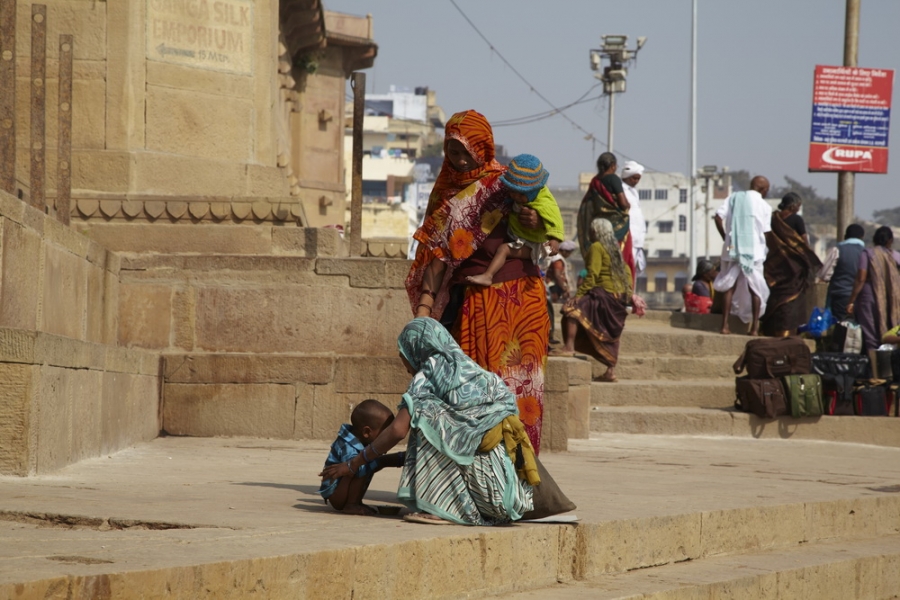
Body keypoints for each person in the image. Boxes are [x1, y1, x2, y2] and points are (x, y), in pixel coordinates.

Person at [405, 110, 550, 453]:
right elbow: (437, 256)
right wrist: (424, 313)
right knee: (471, 399)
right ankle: (474, 485)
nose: (458, 159)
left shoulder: (508, 185)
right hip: (472, 304)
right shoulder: (444, 193)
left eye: (465, 151)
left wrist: (533, 222)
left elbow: (546, 239)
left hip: (522, 304)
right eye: (452, 151)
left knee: (519, 394)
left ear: (482, 148)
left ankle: (517, 484)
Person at [320, 319, 538, 525]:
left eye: (403, 354)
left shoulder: (427, 376)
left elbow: (397, 430)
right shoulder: (478, 373)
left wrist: (353, 464)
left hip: (487, 493)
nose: (404, 363)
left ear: (417, 350)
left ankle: (442, 506)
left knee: (424, 414)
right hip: (510, 495)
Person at [466, 154, 565, 287]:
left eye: (521, 193)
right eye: (513, 191)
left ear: (533, 191)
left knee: (504, 249)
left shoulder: (545, 202)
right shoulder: (516, 197)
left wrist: (554, 240)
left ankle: (488, 276)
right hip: (519, 237)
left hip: (534, 245)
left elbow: (555, 221)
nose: (515, 196)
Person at [553, 218, 632, 383]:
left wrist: (578, 296)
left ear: (596, 231)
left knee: (570, 310)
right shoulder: (615, 250)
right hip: (618, 298)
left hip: (603, 294)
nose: (589, 232)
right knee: (610, 333)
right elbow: (628, 274)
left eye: (591, 229)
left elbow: (592, 275)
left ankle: (569, 347)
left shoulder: (596, 247)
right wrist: (628, 296)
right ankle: (610, 371)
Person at [317, 399, 406, 516]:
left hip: (341, 489)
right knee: (361, 465)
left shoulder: (359, 440)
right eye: (385, 433)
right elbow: (355, 468)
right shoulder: (350, 446)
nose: (387, 438)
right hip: (336, 493)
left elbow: (378, 462)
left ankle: (355, 501)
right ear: (366, 432)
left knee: (368, 462)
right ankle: (351, 504)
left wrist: (400, 458)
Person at [712, 175, 773, 336]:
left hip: (732, 247)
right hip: (754, 252)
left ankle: (724, 326)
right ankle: (754, 329)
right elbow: (766, 233)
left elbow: (718, 217)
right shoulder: (765, 206)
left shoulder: (733, 198)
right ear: (763, 189)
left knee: (729, 285)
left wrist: (726, 238)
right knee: (756, 288)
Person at [760, 192, 823, 337]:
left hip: (776, 267)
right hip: (794, 268)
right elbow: (804, 244)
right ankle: (787, 333)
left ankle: (771, 330)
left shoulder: (772, 219)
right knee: (792, 301)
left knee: (775, 298)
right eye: (798, 206)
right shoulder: (796, 220)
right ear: (794, 206)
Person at [576, 152, 634, 283]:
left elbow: (589, 204)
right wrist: (627, 206)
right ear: (613, 165)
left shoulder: (595, 181)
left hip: (597, 226)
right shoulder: (613, 179)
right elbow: (623, 203)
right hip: (615, 227)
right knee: (620, 256)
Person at [846, 226, 900, 353]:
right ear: (890, 241)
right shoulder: (895, 256)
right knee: (892, 327)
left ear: (874, 239)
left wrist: (851, 300)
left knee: (871, 333)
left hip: (869, 297)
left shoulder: (867, 254)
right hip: (893, 299)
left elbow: (861, 278)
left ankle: (875, 366)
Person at [817, 224, 866, 321]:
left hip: (840, 294)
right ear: (862, 237)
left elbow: (824, 274)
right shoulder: (866, 252)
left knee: (840, 327)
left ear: (845, 236)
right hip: (861, 297)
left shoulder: (838, 249)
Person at [621, 160, 647, 278]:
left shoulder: (634, 192)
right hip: (628, 236)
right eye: (634, 178)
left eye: (638, 179)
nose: (635, 181)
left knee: (633, 272)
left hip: (638, 239)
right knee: (625, 268)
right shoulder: (621, 190)